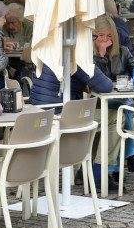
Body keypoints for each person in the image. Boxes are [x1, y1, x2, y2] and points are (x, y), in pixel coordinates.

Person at [28, 57, 115, 189]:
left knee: (97, 119)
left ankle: (85, 169)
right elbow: (105, 86)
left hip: (37, 115)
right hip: (58, 116)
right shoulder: (76, 55)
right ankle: (97, 173)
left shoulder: (49, 52)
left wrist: (82, 82)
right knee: (114, 117)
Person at [92, 15, 134, 178]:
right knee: (123, 112)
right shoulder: (89, 56)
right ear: (93, 36)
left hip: (122, 98)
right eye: (101, 36)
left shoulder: (123, 51)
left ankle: (114, 168)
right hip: (99, 102)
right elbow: (100, 82)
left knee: (123, 109)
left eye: (109, 35)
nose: (105, 39)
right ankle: (131, 156)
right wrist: (101, 55)